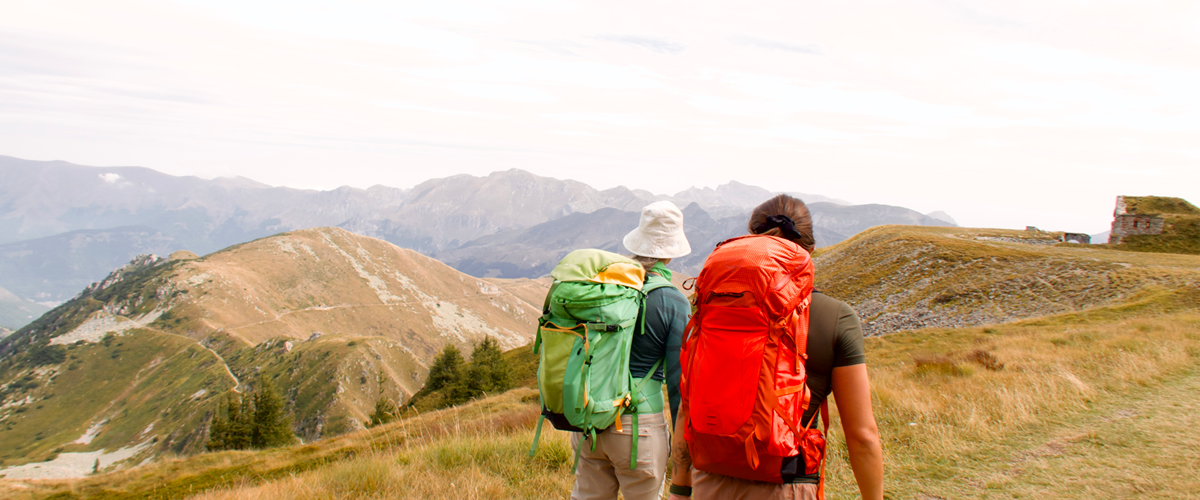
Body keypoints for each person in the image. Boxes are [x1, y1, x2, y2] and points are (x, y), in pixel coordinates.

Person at [668, 194, 884, 500]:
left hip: (708, 481)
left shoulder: (716, 306)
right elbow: (862, 436)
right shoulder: (835, 317)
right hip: (787, 484)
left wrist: (679, 489)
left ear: (752, 242)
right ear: (810, 250)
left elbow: (688, 407)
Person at [570, 201, 692, 500]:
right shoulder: (672, 300)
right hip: (639, 427)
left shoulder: (602, 288)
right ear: (671, 252)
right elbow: (680, 384)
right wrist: (684, 452)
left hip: (589, 418)